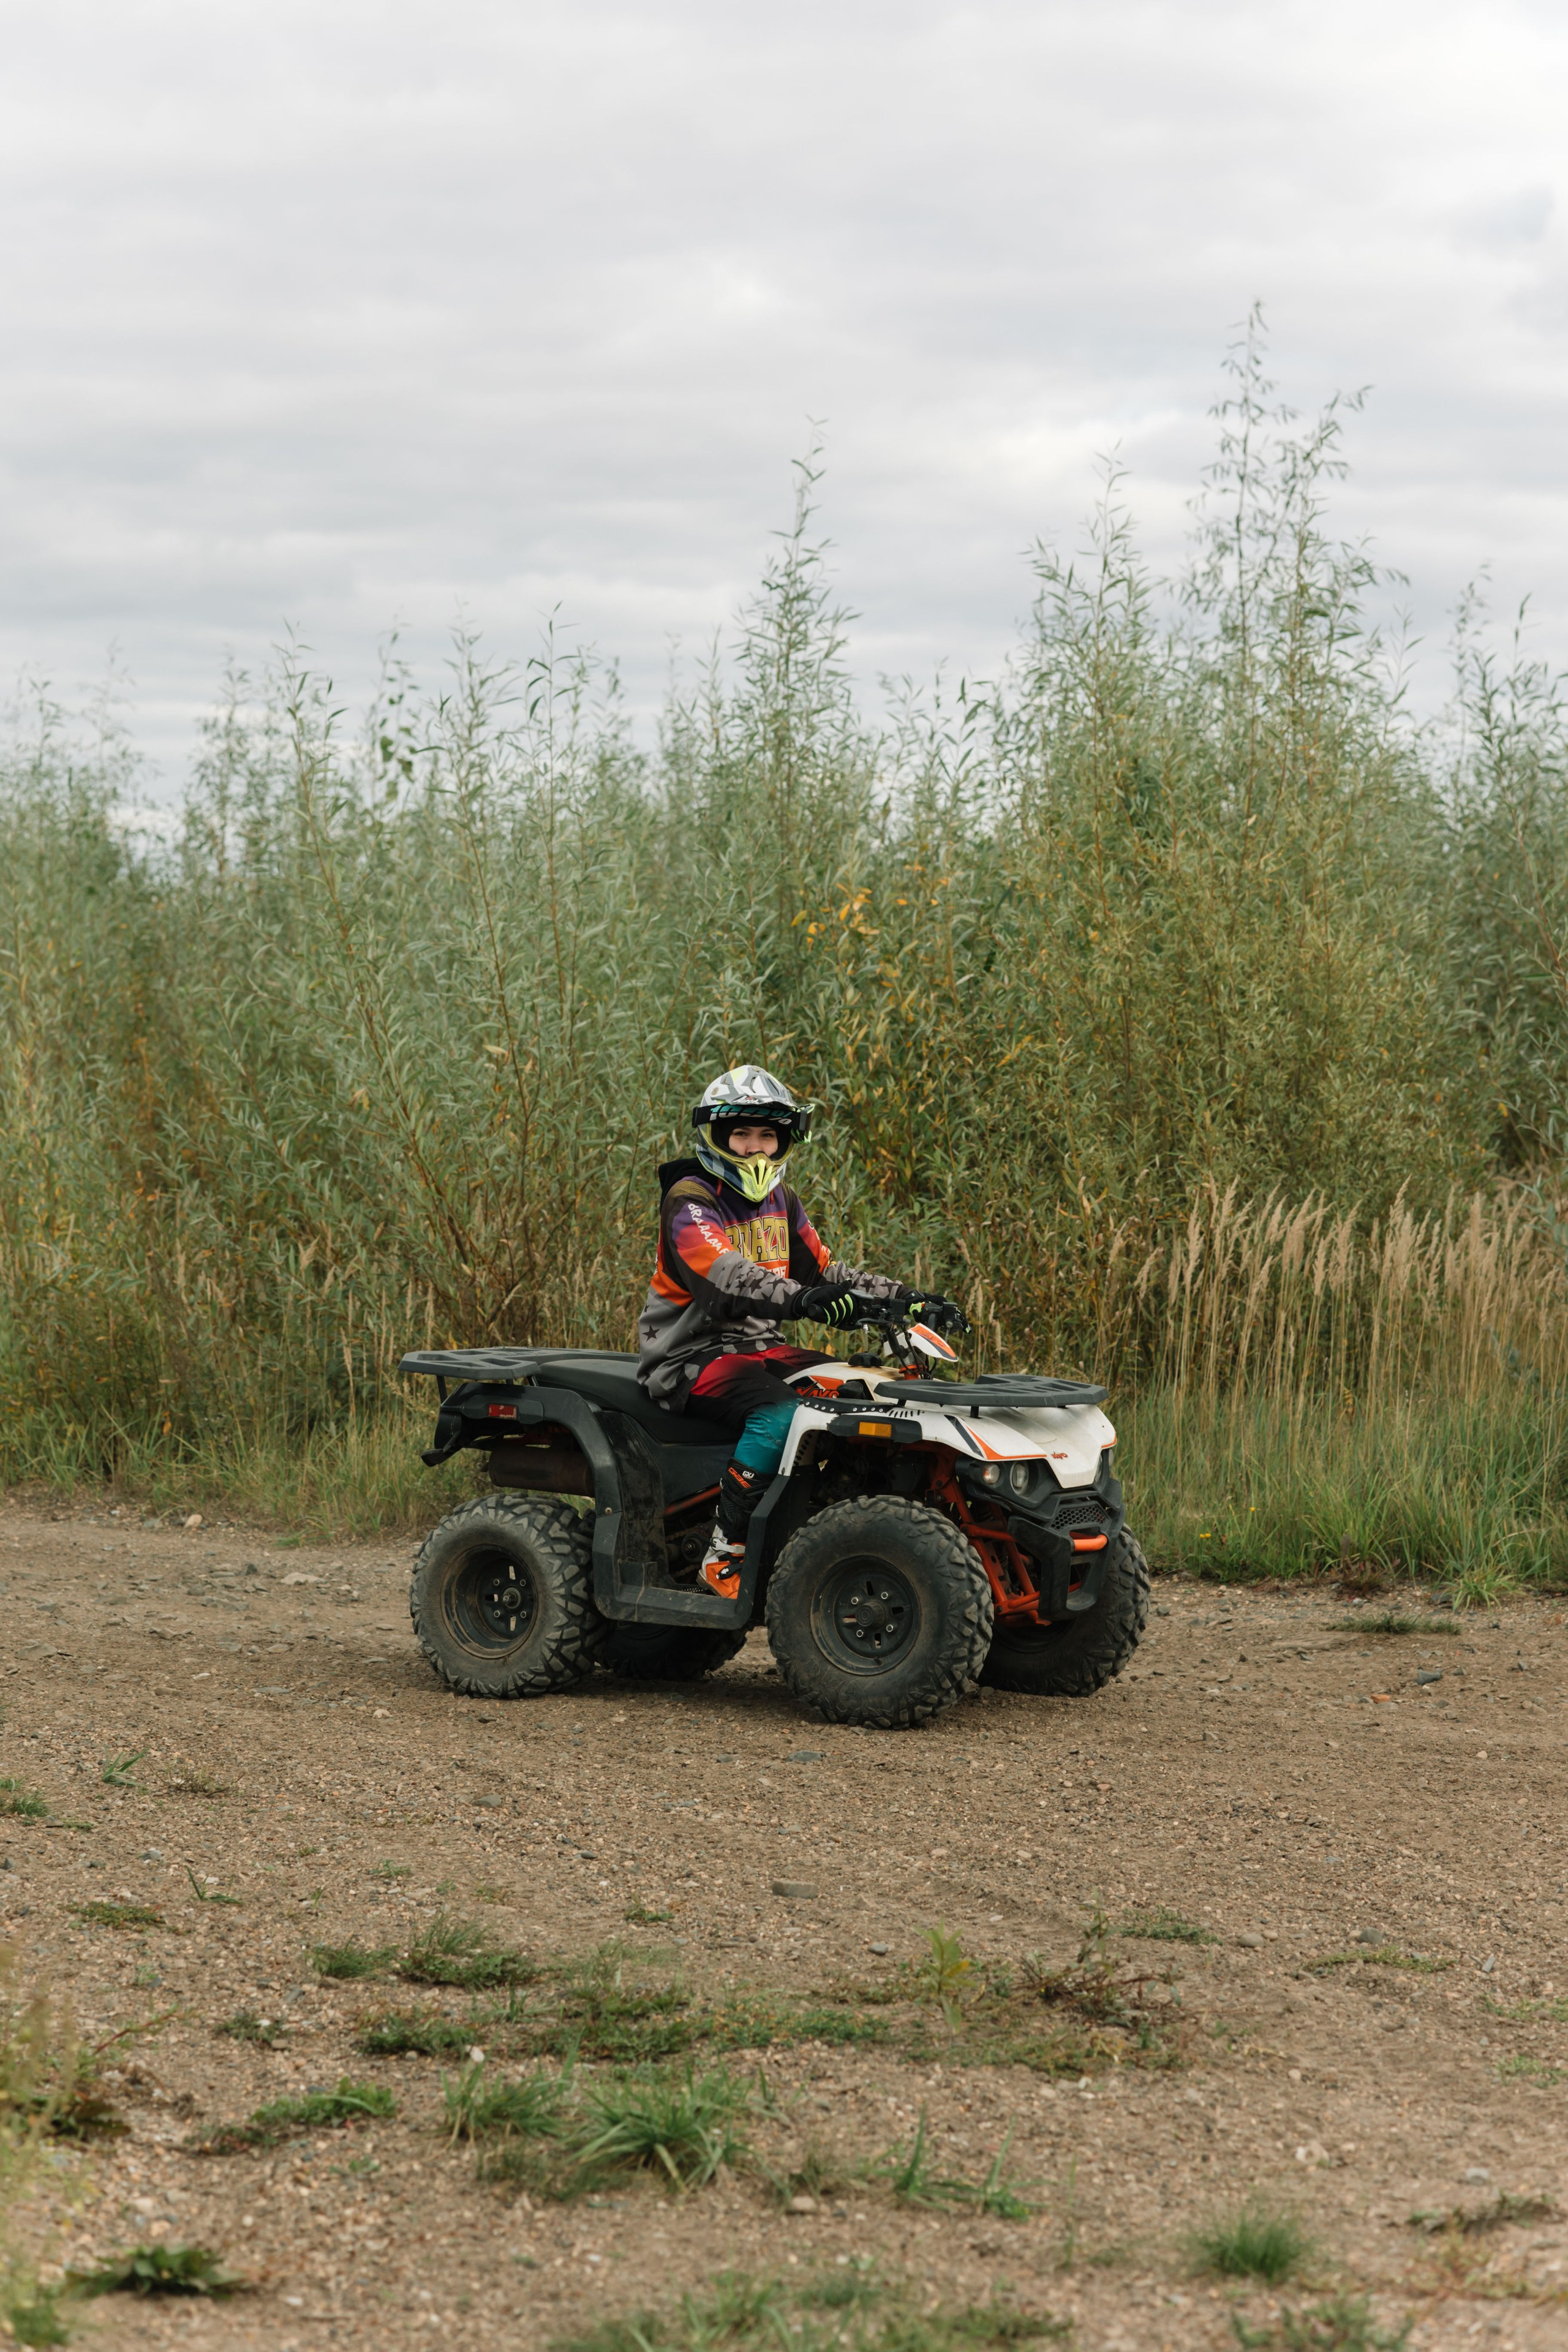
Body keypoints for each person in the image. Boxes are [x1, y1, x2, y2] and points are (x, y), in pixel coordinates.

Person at [636, 1065, 908, 1596]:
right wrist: (803, 1300)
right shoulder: (690, 1199)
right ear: (716, 1136)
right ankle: (725, 1554)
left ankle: (821, 1531)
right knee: (780, 1414)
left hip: (762, 1349)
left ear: (784, 1139)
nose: (755, 1148)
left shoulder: (782, 1200)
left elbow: (825, 1271)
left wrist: (904, 1298)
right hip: (688, 1358)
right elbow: (725, 1276)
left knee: (859, 1392)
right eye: (742, 1133)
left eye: (767, 1135)